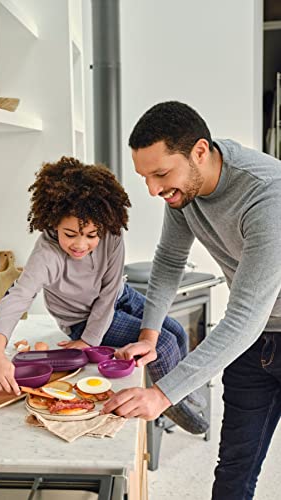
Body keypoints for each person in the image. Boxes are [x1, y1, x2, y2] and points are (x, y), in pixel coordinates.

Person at [102, 101, 281, 499]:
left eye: (160, 173)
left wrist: (162, 395)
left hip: (253, 326)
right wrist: (149, 336)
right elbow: (168, 261)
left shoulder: (268, 196)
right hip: (254, 346)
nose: (152, 189)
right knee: (234, 471)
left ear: (200, 151)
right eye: (145, 177)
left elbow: (245, 316)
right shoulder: (184, 193)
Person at [0, 156, 208, 434]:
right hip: (84, 319)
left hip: (118, 295)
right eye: (70, 234)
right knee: (162, 346)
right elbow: (19, 295)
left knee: (177, 331)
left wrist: (92, 338)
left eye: (92, 235)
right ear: (53, 223)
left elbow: (111, 289)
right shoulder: (47, 255)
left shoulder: (111, 234)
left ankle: (184, 393)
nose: (81, 245)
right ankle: (172, 404)